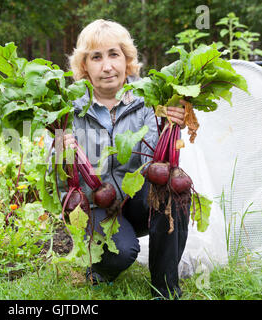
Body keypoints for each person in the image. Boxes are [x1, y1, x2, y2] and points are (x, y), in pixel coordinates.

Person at [47, 19, 189, 299]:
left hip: (136, 199)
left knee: (174, 191)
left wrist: (173, 123)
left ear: (127, 59)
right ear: (84, 65)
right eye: (96, 57)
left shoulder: (148, 99)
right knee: (123, 252)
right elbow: (58, 178)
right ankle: (100, 268)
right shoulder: (67, 109)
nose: (107, 65)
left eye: (114, 54)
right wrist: (61, 153)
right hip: (94, 203)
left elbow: (155, 165)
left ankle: (165, 289)